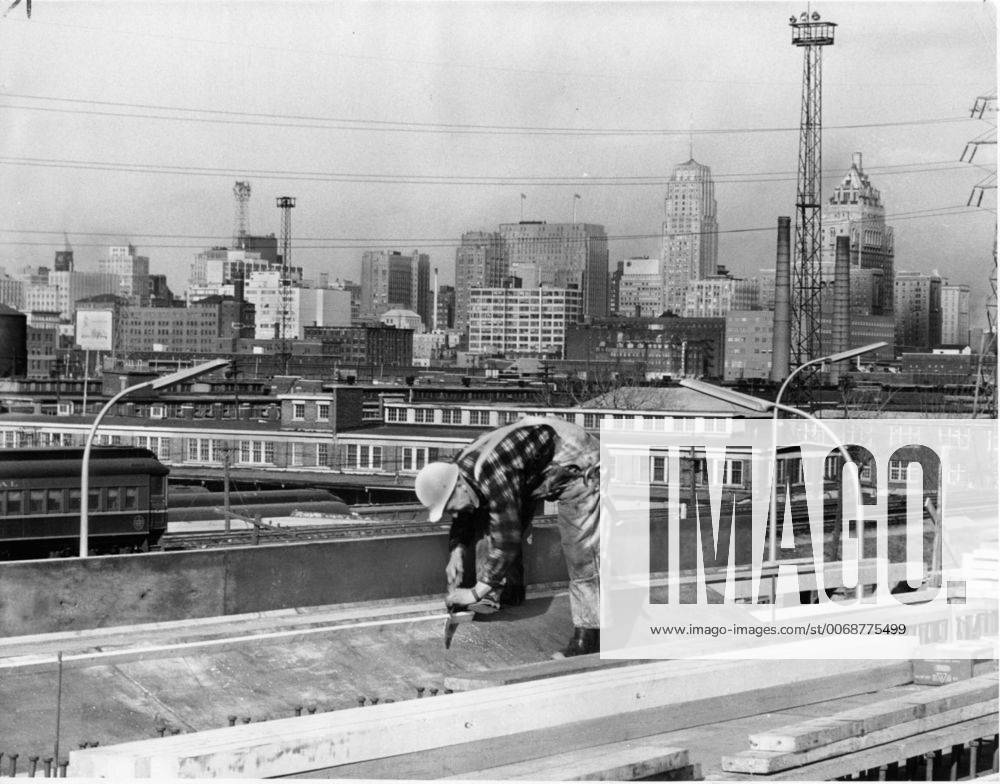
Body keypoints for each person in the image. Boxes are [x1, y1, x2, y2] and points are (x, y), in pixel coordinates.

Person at [415, 417, 600, 657]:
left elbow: (507, 538)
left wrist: (473, 593)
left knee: (580, 551)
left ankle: (589, 635)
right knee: (481, 512)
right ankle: (510, 592)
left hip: (579, 463)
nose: (454, 514)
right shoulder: (460, 471)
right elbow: (465, 513)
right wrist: (456, 551)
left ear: (458, 486)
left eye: (451, 507)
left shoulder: (493, 471)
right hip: (534, 467)